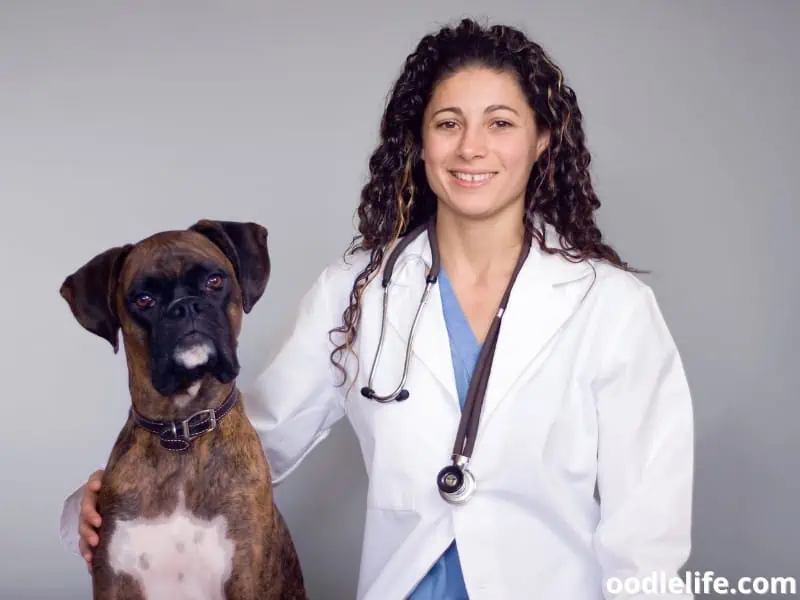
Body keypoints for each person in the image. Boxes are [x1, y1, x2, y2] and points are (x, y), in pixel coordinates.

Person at [60, 18, 694, 600]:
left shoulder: (611, 305)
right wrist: (96, 509)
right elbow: (253, 442)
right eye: (448, 123)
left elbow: (649, 526)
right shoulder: (355, 292)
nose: (472, 147)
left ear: (542, 141)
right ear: (420, 143)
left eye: (500, 123)